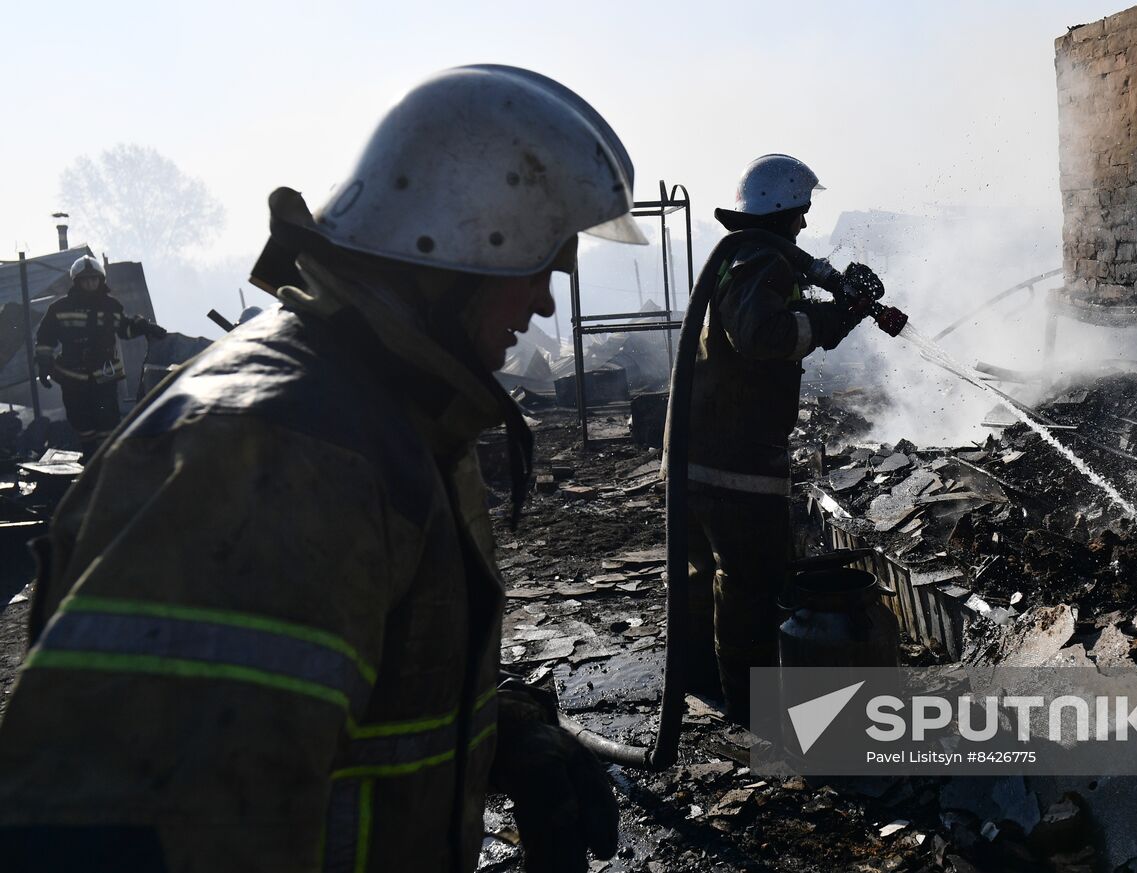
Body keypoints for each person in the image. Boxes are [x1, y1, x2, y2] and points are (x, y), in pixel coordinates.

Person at [0, 65, 643, 873]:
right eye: (539, 267)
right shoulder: (276, 451)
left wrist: (488, 735)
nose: (545, 305)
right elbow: (132, 835)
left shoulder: (385, 407)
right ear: (460, 249)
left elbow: (310, 712)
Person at [684, 154, 870, 722]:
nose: (807, 225)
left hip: (698, 450)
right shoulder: (761, 259)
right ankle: (753, 708)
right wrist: (839, 316)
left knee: (708, 574)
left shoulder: (745, 255)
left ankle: (703, 682)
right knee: (750, 583)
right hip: (733, 457)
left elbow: (781, 308)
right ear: (785, 210)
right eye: (803, 213)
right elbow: (763, 335)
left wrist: (843, 298)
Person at [33, 255, 167, 457]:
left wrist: (144, 327)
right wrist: (44, 364)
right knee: (80, 420)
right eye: (86, 280)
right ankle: (89, 456)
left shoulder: (111, 306)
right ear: (77, 281)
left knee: (108, 420)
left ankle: (107, 460)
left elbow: (125, 330)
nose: (90, 283)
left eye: (94, 279)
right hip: (73, 376)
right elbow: (45, 339)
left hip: (104, 375)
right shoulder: (59, 308)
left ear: (101, 280)